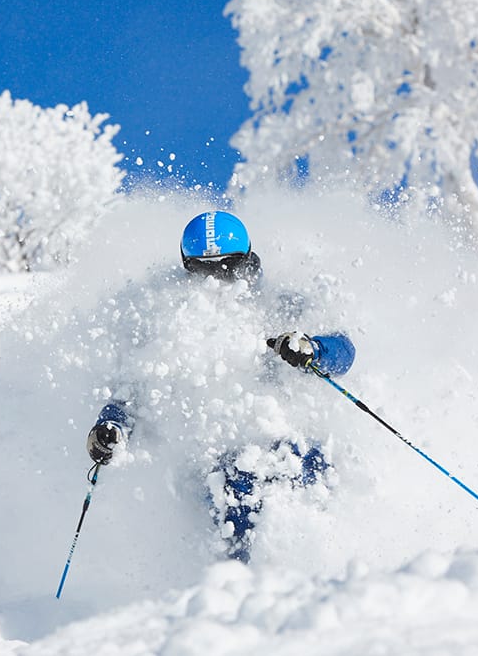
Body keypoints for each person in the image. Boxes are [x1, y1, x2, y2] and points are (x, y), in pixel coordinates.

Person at [85, 211, 355, 562]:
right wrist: (112, 427)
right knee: (234, 482)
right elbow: (133, 394)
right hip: (212, 460)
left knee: (307, 465)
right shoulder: (166, 322)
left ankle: (330, 576)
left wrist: (313, 349)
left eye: (230, 267)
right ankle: (233, 592)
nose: (218, 280)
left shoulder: (281, 305)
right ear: (187, 268)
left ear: (249, 262)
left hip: (290, 441)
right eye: (203, 270)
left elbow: (344, 352)